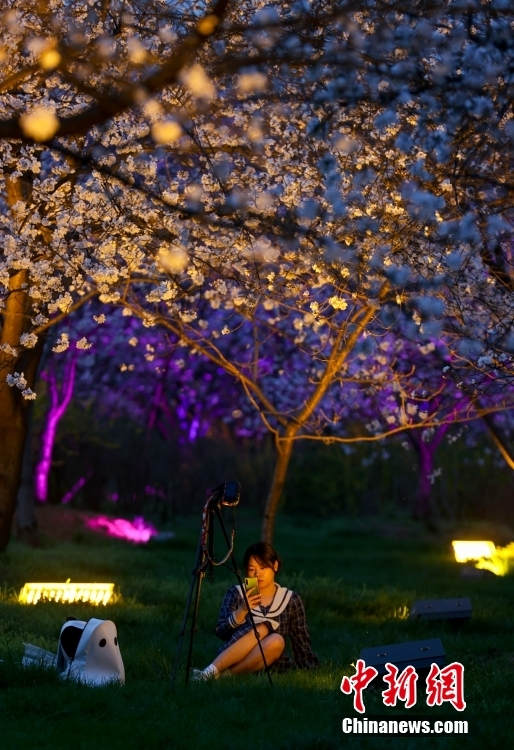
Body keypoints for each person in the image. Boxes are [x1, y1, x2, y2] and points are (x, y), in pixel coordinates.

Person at [192, 542, 318, 680]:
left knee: (276, 640)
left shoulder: (290, 599)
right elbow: (221, 632)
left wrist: (310, 668)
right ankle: (210, 672)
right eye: (252, 569)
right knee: (263, 629)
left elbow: (301, 639)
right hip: (232, 658)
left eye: (263, 568)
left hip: (270, 663)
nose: (257, 574)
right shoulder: (237, 593)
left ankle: (223, 676)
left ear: (275, 566)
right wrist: (241, 611)